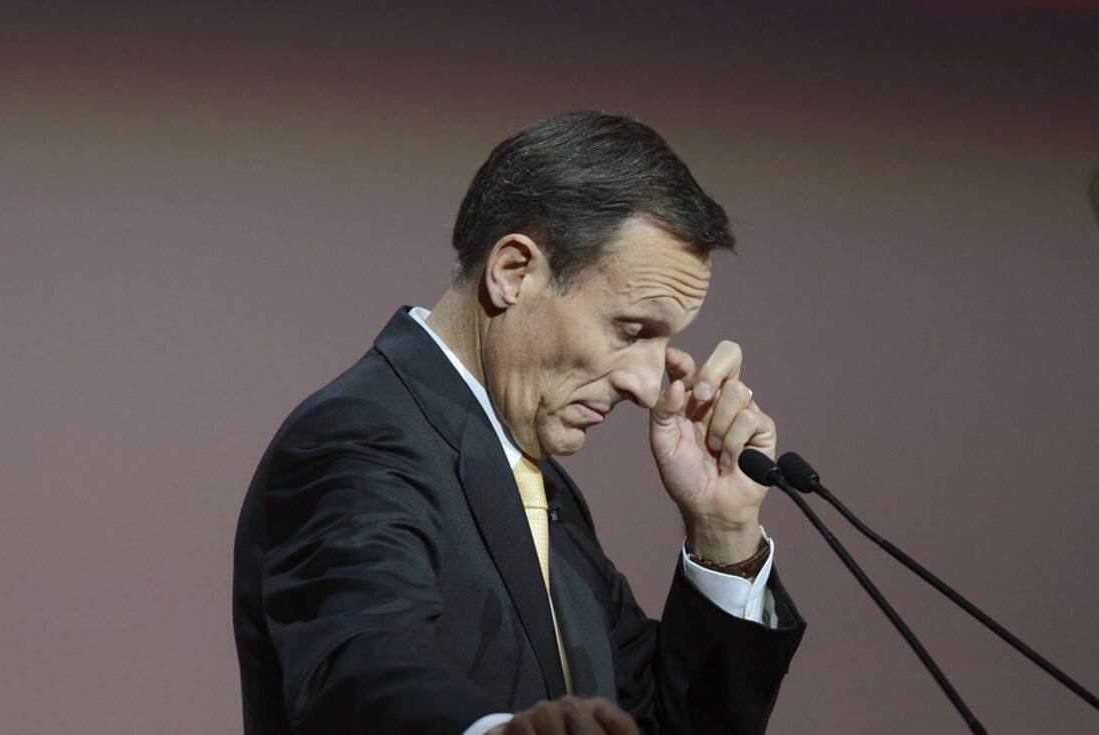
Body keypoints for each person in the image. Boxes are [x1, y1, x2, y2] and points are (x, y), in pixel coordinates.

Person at [233, 111, 806, 735]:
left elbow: (657, 721)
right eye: (631, 330)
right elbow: (357, 667)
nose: (648, 385)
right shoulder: (358, 438)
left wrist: (722, 532)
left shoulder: (542, 488)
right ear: (514, 272)